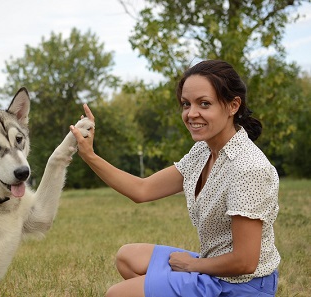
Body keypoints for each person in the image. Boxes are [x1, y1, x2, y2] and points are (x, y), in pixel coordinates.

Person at [70, 60, 280, 297]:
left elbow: (245, 262)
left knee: (117, 294)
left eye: (204, 104)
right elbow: (143, 189)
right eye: (186, 104)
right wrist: (89, 155)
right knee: (128, 258)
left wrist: (193, 265)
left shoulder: (248, 168)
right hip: (214, 269)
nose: (191, 114)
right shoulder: (204, 150)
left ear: (233, 106)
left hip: (240, 285)